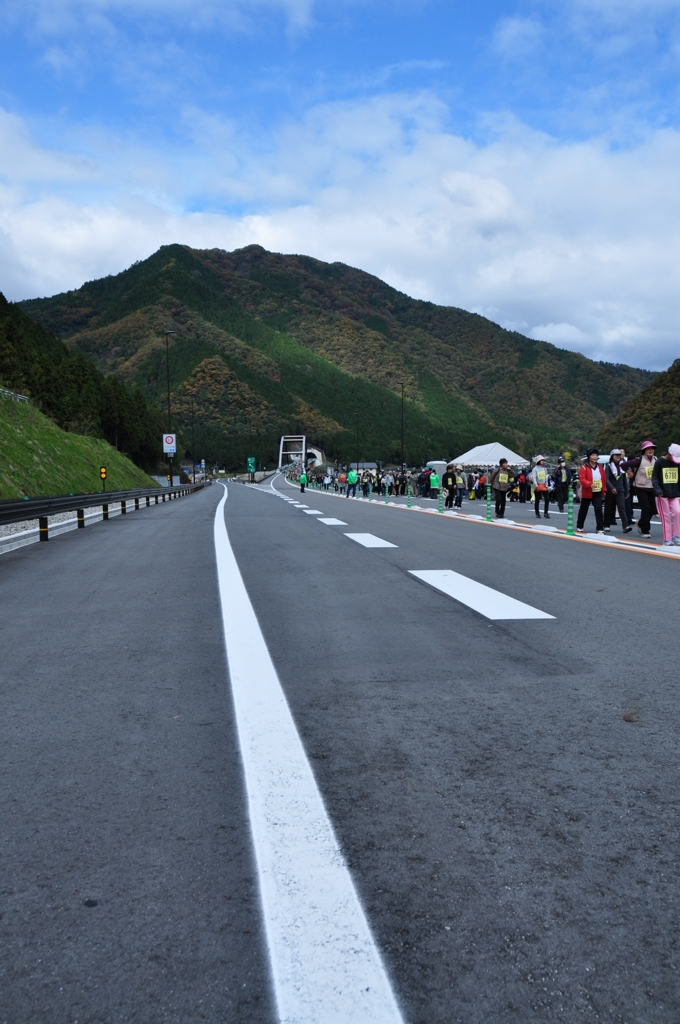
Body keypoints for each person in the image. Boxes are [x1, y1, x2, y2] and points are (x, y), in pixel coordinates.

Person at [622, 441, 657, 538]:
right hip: (641, 487)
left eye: (652, 449)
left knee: (653, 509)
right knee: (646, 508)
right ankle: (645, 530)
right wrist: (630, 473)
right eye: (648, 449)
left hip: (652, 487)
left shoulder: (656, 460)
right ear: (644, 450)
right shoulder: (638, 460)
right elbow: (623, 465)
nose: (650, 450)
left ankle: (641, 523)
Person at [652, 443, 680, 548]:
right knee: (666, 517)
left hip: (674, 493)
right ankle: (667, 539)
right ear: (668, 453)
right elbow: (654, 477)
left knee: (678, 512)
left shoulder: (677, 463)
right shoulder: (659, 462)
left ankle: (677, 535)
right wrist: (658, 490)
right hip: (662, 495)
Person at [576, 448, 606, 533]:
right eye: (593, 455)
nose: (595, 457)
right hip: (587, 491)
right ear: (589, 457)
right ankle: (580, 526)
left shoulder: (600, 468)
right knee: (584, 509)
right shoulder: (584, 468)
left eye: (596, 455)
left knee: (598, 509)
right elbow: (582, 479)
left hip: (597, 491)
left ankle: (600, 528)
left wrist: (604, 490)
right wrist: (589, 484)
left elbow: (603, 480)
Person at [604, 449, 632, 533]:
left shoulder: (622, 466)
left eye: (619, 455)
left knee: (622, 507)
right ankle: (606, 525)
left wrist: (626, 490)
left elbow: (624, 479)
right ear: (612, 456)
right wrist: (611, 488)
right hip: (610, 490)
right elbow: (606, 478)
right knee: (608, 507)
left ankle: (625, 526)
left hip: (620, 490)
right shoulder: (608, 465)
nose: (618, 456)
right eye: (616, 455)